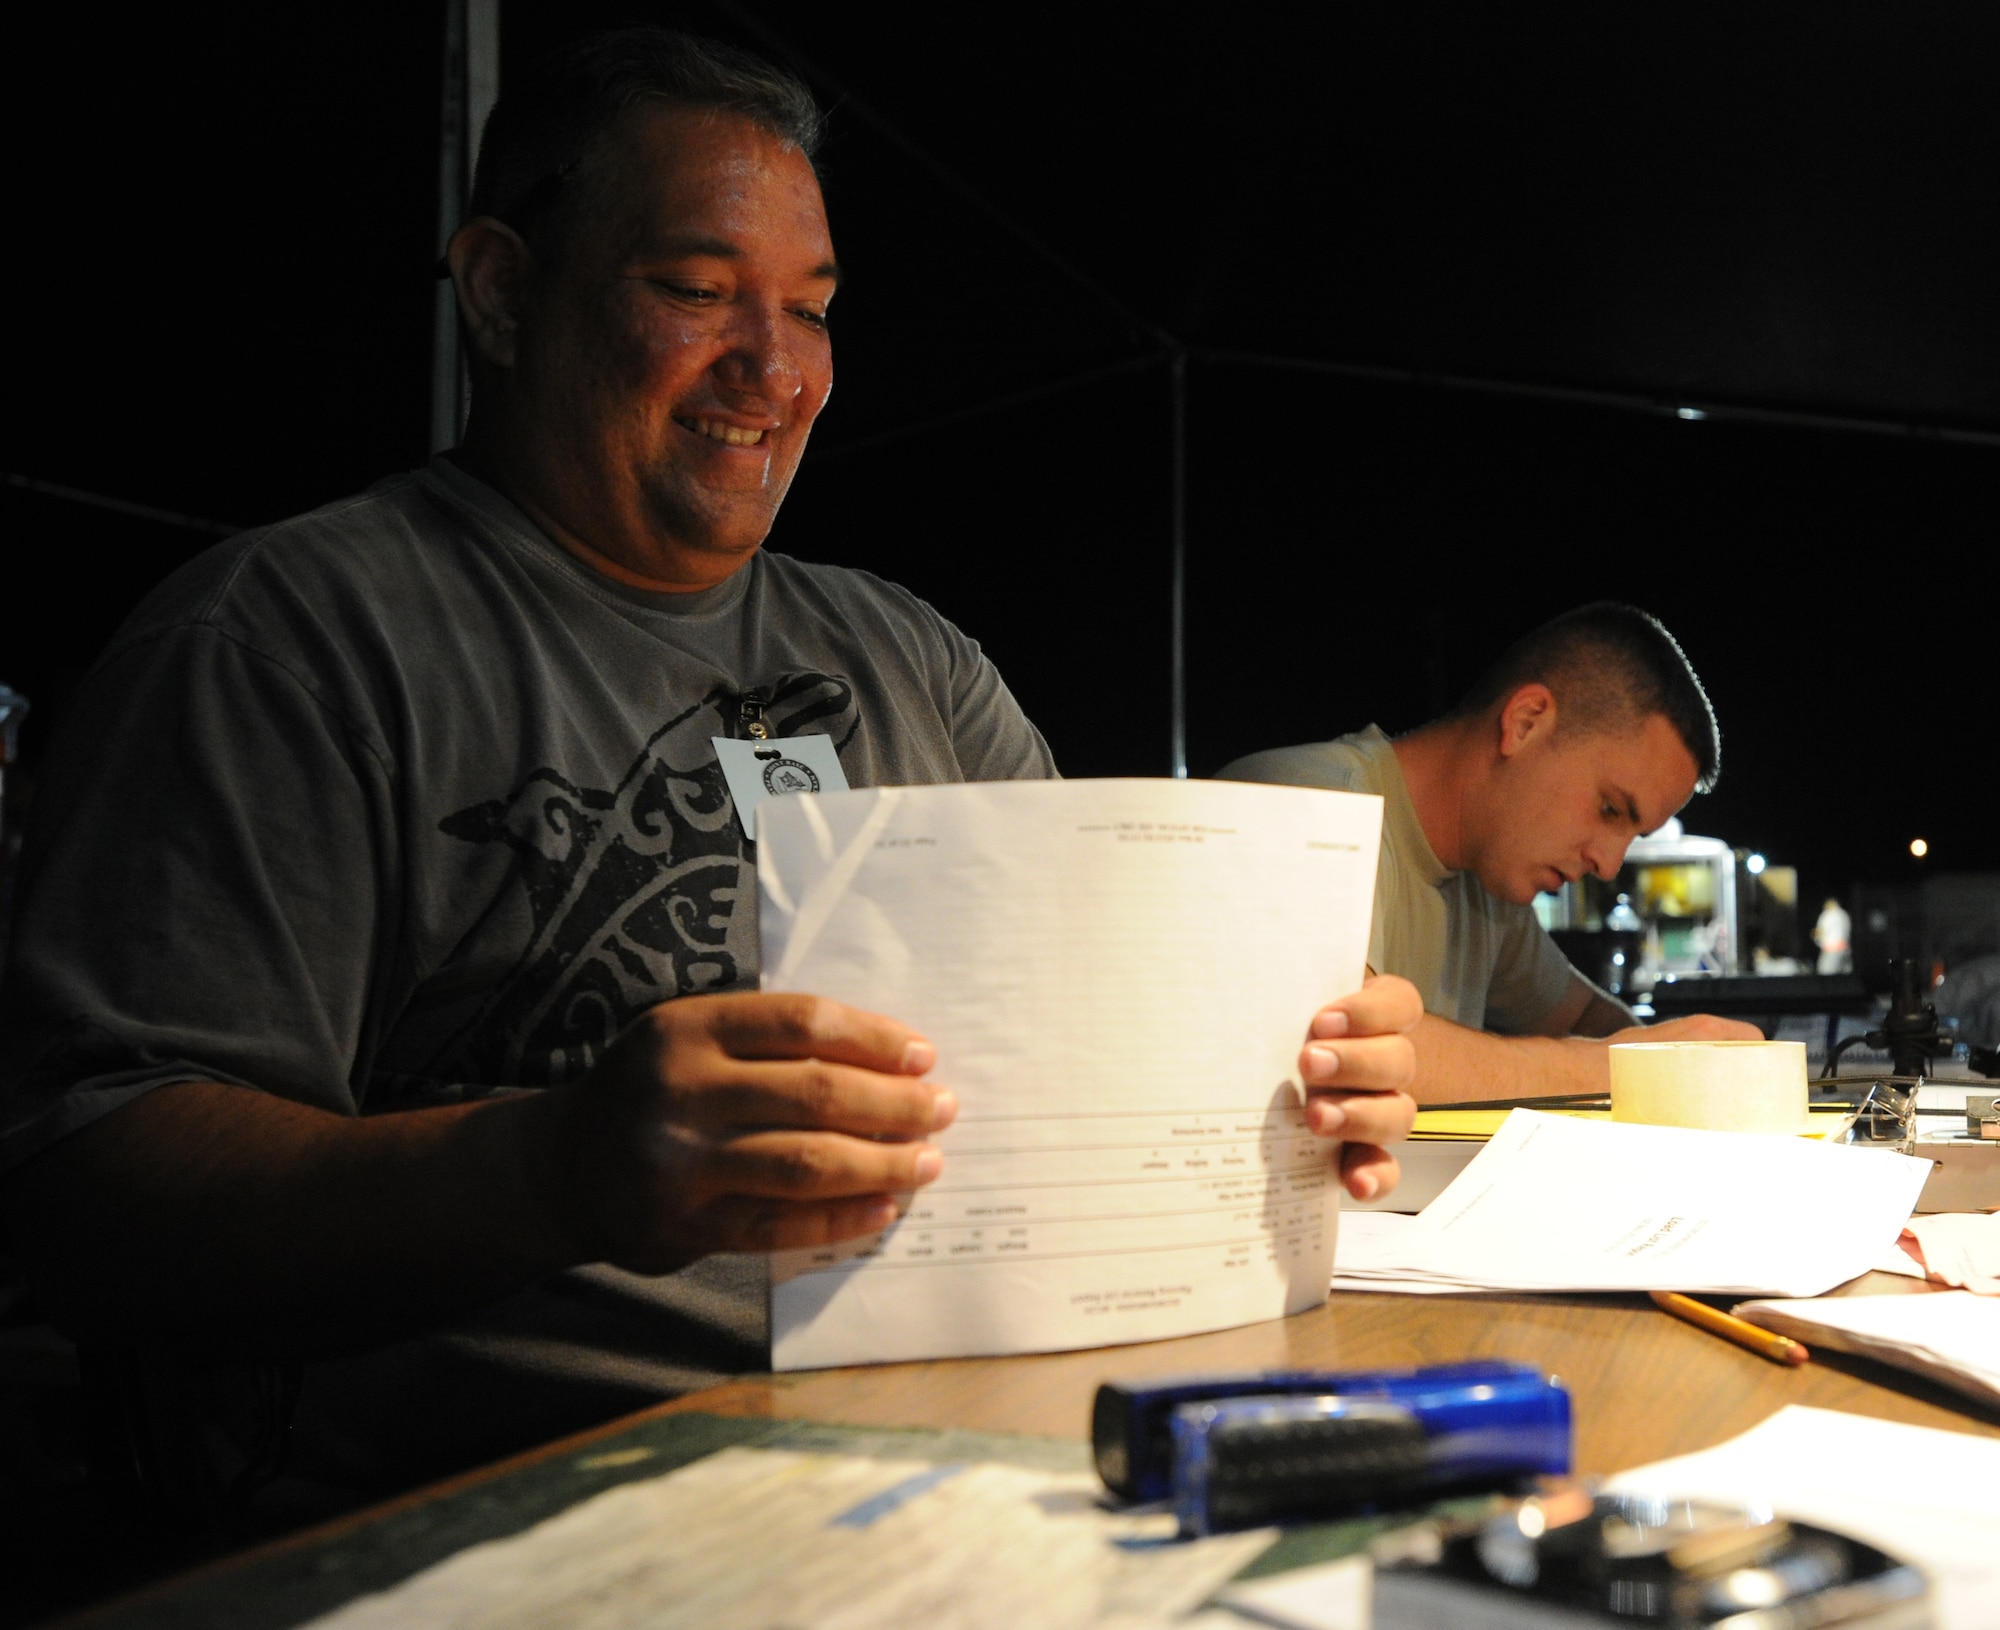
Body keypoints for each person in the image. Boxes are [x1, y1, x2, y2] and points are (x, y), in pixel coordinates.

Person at [0, 30, 1418, 1513]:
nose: (776, 366)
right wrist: (555, 1168)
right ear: (499, 290)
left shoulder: (910, 658)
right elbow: (94, 1194)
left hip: (996, 1457)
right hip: (551, 1521)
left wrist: (1294, 1083)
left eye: (809, 309)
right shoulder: (293, 641)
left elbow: (1107, 1041)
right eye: (694, 291)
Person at [1220, 604, 1757, 1105]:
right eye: (1611, 809)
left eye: (1634, 836)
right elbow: (1345, 1049)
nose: (1609, 865)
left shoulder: (1487, 893)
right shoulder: (1303, 803)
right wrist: (1624, 1067)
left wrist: (1681, 1070)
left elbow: (1585, 1016)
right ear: (1525, 723)